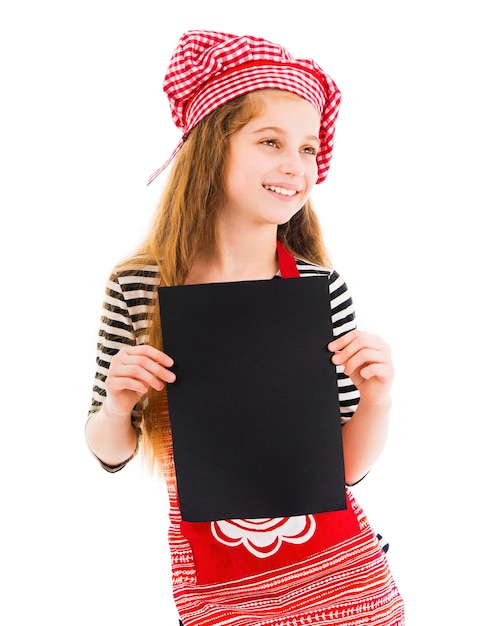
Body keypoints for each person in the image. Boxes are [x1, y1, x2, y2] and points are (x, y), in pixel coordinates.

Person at [85, 30, 405, 625]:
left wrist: (378, 399)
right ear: (212, 147)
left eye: (308, 149)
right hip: (217, 588)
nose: (296, 165)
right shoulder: (138, 287)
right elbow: (110, 454)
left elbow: (345, 469)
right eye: (270, 141)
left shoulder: (318, 288)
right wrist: (116, 403)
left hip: (345, 580)